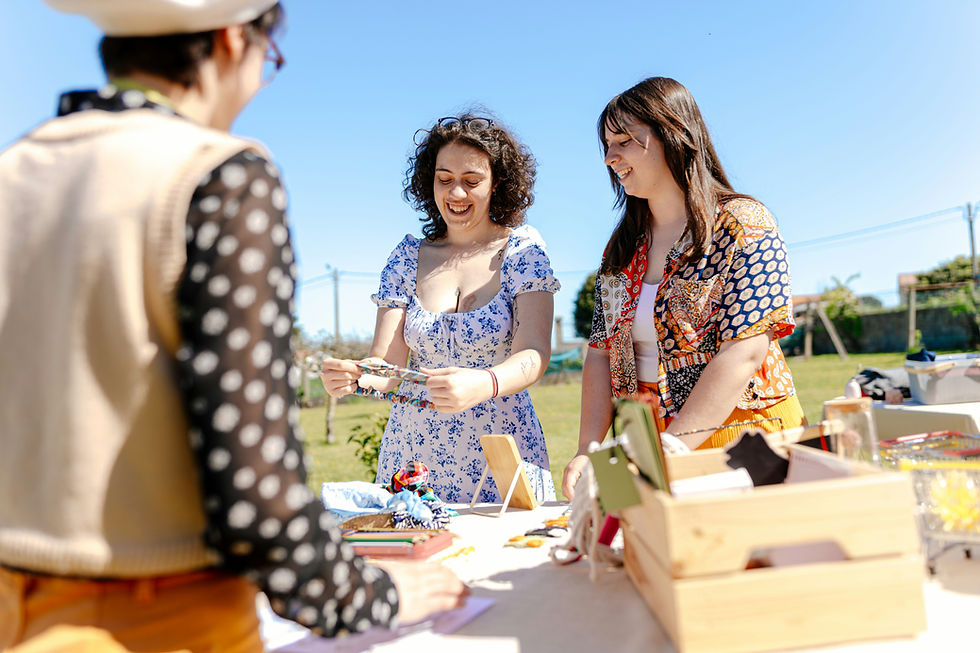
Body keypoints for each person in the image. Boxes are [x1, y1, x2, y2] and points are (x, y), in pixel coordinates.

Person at [0, 2, 464, 650]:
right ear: (229, 40)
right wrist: (370, 592)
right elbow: (251, 482)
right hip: (160, 612)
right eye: (268, 60)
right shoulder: (220, 172)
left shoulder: (17, 165)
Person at [562, 77, 805, 499]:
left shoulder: (744, 223)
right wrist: (589, 449)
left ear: (673, 136)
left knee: (748, 560)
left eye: (624, 141)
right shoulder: (621, 250)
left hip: (742, 439)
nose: (609, 157)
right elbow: (600, 353)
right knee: (621, 557)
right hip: (644, 442)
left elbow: (744, 352)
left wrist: (671, 450)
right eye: (606, 144)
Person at [320, 114, 559, 504]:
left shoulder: (523, 250)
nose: (456, 194)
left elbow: (534, 354)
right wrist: (357, 376)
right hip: (413, 455)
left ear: (497, 182)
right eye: (444, 179)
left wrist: (483, 383)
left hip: (502, 446)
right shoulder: (406, 257)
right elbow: (387, 366)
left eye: (471, 181)